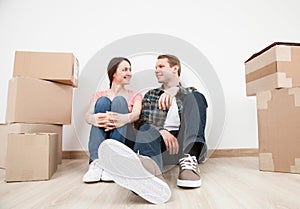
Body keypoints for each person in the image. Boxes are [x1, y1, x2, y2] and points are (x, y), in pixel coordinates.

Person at [98, 54, 208, 204]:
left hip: (183, 147)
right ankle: (151, 172)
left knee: (197, 97)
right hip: (159, 146)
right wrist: (161, 130)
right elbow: (143, 121)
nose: (156, 70)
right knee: (145, 128)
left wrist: (174, 90)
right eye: (156, 67)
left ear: (175, 68)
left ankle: (190, 161)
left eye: (161, 66)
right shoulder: (151, 95)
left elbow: (195, 105)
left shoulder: (190, 93)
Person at [82, 57, 143, 183]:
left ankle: (113, 164)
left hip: (125, 139)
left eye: (130, 70)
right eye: (125, 70)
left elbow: (136, 114)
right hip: (103, 135)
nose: (129, 73)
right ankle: (97, 164)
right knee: (103, 102)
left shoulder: (135, 95)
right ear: (113, 73)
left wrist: (122, 118)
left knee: (119, 101)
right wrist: (94, 119)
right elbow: (88, 115)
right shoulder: (99, 95)